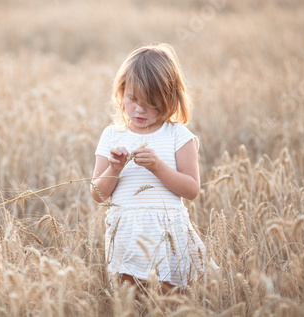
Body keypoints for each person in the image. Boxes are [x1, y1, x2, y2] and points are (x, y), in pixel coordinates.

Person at [90, 43, 216, 294]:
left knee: (171, 299)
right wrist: (114, 168)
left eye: (150, 103)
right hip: (126, 232)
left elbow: (191, 189)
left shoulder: (178, 135)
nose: (139, 109)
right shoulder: (112, 135)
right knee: (131, 299)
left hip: (168, 233)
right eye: (132, 99)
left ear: (169, 99)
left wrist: (158, 167)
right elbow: (98, 194)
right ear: (121, 92)